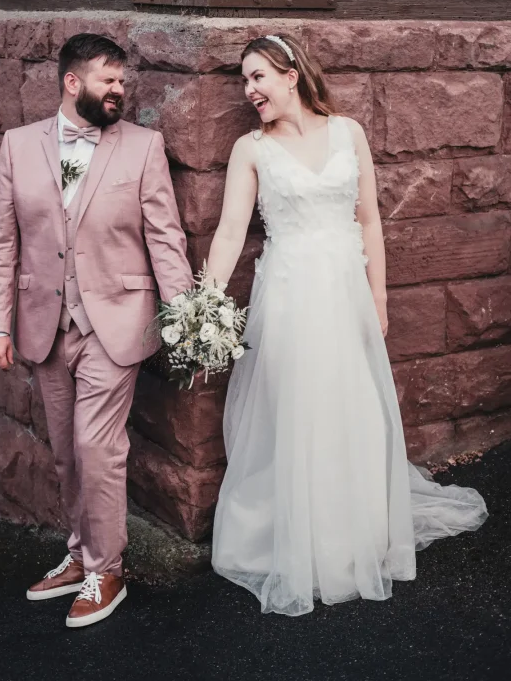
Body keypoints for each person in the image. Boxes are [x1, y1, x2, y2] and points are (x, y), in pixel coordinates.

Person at [206, 34, 487, 616]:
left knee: (349, 406)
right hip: (286, 296)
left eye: (258, 76)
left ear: (291, 75)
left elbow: (370, 221)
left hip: (345, 292)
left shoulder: (349, 132)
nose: (249, 89)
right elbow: (232, 231)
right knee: (297, 409)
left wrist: (378, 297)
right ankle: (300, 538)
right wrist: (204, 305)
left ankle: (353, 532)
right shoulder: (250, 149)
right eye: (244, 80)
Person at [0, 33, 192, 628]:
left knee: (98, 447)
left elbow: (165, 238)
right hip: (44, 324)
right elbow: (1, 242)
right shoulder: (19, 146)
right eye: (109, 81)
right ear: (73, 83)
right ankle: (78, 554)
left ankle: (108, 569)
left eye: (124, 82)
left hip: (116, 322)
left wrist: (183, 319)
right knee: (68, 453)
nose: (120, 90)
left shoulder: (144, 146)